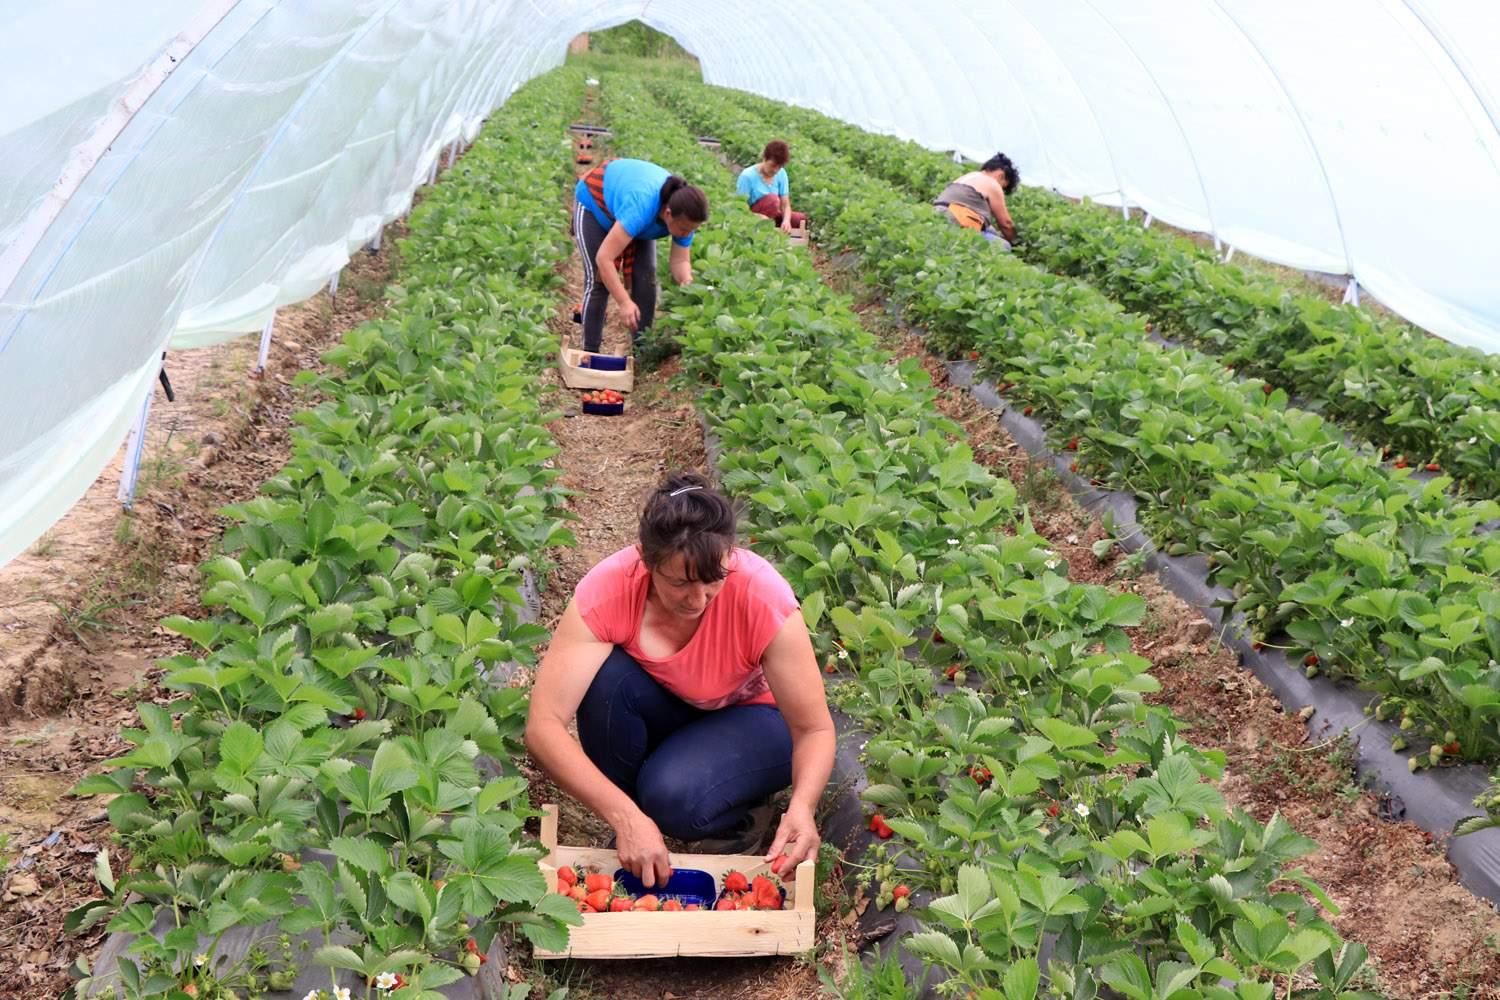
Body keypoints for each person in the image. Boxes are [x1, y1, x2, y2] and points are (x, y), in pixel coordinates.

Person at [525, 472, 835, 888]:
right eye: (680, 583)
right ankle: (635, 821)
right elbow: (543, 726)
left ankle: (736, 812)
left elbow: (813, 727)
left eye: (713, 581)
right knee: (607, 680)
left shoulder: (761, 595)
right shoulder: (610, 590)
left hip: (760, 721)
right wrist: (624, 815)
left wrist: (803, 806)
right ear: (647, 560)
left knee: (672, 796)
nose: (698, 599)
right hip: (681, 707)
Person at [573, 158, 709, 352]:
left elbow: (680, 261)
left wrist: (687, 283)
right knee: (598, 282)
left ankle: (641, 351)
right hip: (597, 205)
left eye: (692, 230)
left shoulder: (686, 217)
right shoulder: (641, 206)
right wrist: (624, 302)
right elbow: (604, 258)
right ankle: (589, 352)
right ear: (668, 214)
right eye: (684, 229)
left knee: (646, 276)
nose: (687, 234)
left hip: (633, 215)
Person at [933, 152, 1019, 249]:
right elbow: (1006, 224)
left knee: (991, 231)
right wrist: (1016, 243)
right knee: (1004, 246)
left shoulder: (970, 176)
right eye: (1003, 186)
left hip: (937, 215)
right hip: (957, 221)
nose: (1001, 189)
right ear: (1000, 175)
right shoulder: (992, 183)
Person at [736, 140, 807, 233]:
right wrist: (757, 216)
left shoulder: (781, 174)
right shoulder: (747, 176)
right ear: (764, 158)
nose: (776, 170)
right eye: (773, 165)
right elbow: (740, 209)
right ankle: (762, 232)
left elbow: (785, 204)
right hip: (753, 217)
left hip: (772, 216)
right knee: (772, 200)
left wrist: (786, 221)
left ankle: (775, 230)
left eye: (779, 166)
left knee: (799, 219)